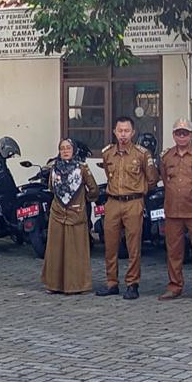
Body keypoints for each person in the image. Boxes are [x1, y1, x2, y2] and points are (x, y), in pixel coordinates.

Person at [93, 117, 156, 299]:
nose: (123, 134)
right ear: (114, 131)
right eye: (120, 131)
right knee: (110, 245)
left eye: (126, 131)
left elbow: (152, 179)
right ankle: (111, 283)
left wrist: (139, 192)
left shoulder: (142, 154)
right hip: (113, 201)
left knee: (133, 245)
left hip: (133, 202)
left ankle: (132, 284)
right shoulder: (107, 153)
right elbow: (108, 174)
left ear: (133, 132)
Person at [156, 121, 192, 302]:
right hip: (173, 211)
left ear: (191, 135)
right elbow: (165, 179)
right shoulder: (166, 157)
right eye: (178, 133)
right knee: (174, 251)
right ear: (173, 135)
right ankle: (174, 286)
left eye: (185, 133)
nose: (182, 136)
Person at [40, 139, 93, 296]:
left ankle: (76, 285)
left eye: (68, 148)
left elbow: (93, 189)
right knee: (55, 250)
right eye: (62, 148)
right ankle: (53, 284)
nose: (65, 151)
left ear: (74, 150)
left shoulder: (82, 168)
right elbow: (51, 187)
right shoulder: (54, 168)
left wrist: (85, 200)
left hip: (76, 214)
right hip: (57, 213)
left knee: (75, 250)